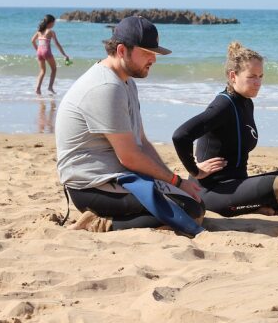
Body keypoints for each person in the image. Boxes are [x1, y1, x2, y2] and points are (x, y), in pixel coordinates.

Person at [55, 16, 204, 234]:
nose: (153, 59)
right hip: (91, 185)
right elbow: (130, 157)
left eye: (155, 53)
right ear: (122, 50)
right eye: (147, 52)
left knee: (195, 207)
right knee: (189, 212)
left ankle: (115, 217)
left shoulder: (125, 81)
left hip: (120, 177)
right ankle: (99, 222)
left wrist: (174, 182)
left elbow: (141, 142)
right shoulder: (106, 87)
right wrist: (178, 182)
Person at [172, 41, 278, 217]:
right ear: (233, 76)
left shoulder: (246, 103)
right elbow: (181, 135)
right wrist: (195, 170)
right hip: (212, 191)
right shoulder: (223, 106)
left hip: (239, 185)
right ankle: (266, 205)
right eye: (252, 76)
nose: (258, 82)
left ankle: (258, 204)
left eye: (261, 76)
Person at [31, 14, 71, 95]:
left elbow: (32, 41)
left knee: (42, 71)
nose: (54, 24)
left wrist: (37, 50)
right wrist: (64, 55)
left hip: (39, 52)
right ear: (50, 23)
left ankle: (37, 89)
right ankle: (50, 87)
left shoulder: (39, 31)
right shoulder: (50, 32)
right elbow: (57, 44)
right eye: (54, 23)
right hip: (46, 52)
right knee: (54, 69)